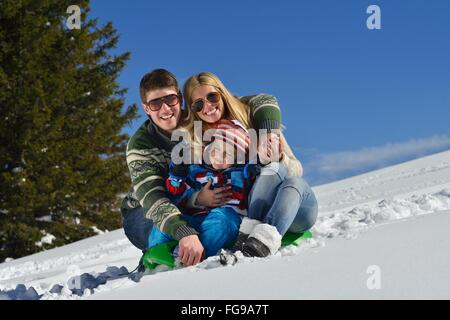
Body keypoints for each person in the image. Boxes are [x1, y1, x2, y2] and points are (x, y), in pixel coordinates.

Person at [121, 69, 282, 266]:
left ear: (179, 99)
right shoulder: (141, 144)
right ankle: (159, 259)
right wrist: (187, 222)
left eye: (170, 99)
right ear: (146, 108)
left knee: (224, 222)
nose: (165, 109)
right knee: (161, 229)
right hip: (144, 209)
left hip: (198, 205)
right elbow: (154, 199)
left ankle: (199, 251)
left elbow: (262, 100)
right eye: (155, 103)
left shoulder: (198, 113)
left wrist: (267, 134)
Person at [182, 72, 318, 258]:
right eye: (198, 104)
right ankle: (258, 242)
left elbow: (296, 169)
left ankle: (259, 236)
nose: (207, 106)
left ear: (222, 93)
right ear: (193, 110)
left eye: (212, 97)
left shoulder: (254, 122)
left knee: (286, 177)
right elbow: (185, 183)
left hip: (289, 206)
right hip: (248, 209)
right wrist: (198, 198)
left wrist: (277, 157)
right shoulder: (196, 142)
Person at [147, 119, 258, 259]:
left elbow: (255, 177)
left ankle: (196, 256)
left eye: (227, 155)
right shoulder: (195, 169)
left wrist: (254, 167)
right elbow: (176, 194)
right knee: (164, 225)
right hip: (194, 221)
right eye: (217, 149)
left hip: (224, 225)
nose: (219, 156)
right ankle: (152, 256)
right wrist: (177, 176)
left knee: (224, 219)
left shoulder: (241, 172)